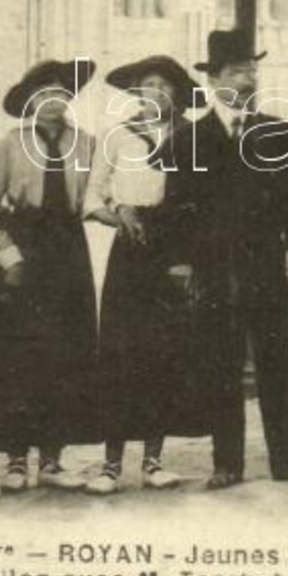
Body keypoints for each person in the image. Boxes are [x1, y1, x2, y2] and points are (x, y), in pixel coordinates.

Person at [156, 30, 288, 489]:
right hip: (213, 268)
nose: (247, 79)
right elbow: (175, 208)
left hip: (270, 264)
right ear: (214, 80)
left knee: (277, 361)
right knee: (219, 363)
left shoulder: (277, 131)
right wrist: (181, 263)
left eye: (253, 70)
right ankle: (226, 463)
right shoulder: (189, 139)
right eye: (236, 71)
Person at [0, 60, 100, 493]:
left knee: (63, 353)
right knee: (18, 356)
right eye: (44, 94)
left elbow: (98, 197)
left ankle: (52, 458)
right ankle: (14, 458)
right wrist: (10, 258)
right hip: (22, 254)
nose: (53, 102)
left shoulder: (87, 144)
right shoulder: (10, 145)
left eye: (61, 94)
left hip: (67, 251)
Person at [84, 55, 201, 493]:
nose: (155, 93)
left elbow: (201, 201)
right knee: (120, 349)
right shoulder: (118, 136)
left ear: (177, 93)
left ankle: (154, 460)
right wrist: (119, 213)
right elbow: (94, 194)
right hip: (130, 250)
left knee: (164, 351)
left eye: (164, 86)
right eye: (147, 86)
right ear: (135, 93)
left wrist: (188, 257)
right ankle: (111, 464)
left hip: (174, 248)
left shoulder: (191, 136)